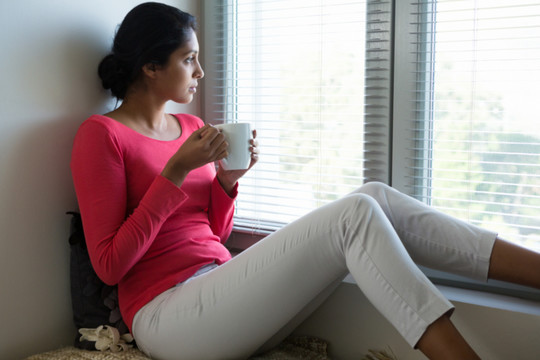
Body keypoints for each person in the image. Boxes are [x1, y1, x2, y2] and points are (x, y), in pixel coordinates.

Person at [70, 3, 540, 359]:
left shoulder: (191, 130)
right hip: (164, 315)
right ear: (151, 67)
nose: (200, 72)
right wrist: (174, 172)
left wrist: (227, 183)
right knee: (354, 215)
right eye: (189, 59)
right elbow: (110, 265)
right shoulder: (102, 135)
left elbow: (213, 236)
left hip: (217, 291)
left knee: (373, 195)